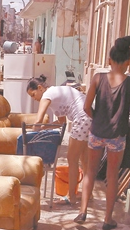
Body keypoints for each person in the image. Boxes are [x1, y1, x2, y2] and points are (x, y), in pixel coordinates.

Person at [76, 35, 130, 230]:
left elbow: (86, 107)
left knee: (90, 172)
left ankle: (83, 211)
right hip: (117, 136)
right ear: (128, 63)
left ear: (109, 60)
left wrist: (98, 119)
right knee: (112, 176)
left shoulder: (98, 78)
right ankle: (107, 219)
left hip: (96, 132)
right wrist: (127, 125)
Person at [27, 74, 92, 205]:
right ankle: (87, 194)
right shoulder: (56, 92)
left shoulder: (47, 95)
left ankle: (71, 196)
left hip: (82, 119)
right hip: (91, 116)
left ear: (40, 88)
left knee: (72, 158)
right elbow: (61, 122)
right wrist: (45, 126)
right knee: (84, 160)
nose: (34, 99)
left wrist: (30, 133)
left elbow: (38, 120)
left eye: (33, 95)